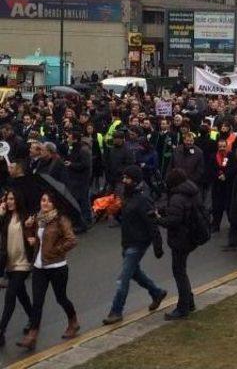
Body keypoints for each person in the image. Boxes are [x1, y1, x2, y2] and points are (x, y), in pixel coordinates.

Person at [102, 166, 167, 325]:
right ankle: (156, 292)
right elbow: (125, 218)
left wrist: (158, 245)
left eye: (127, 178)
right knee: (134, 273)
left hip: (138, 243)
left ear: (135, 180)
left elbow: (152, 223)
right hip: (127, 240)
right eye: (124, 178)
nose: (124, 181)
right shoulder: (127, 196)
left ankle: (116, 311)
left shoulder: (143, 199)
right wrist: (114, 212)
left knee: (123, 278)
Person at [18, 192, 79, 350]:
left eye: (49, 201)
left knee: (61, 298)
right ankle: (32, 334)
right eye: (43, 200)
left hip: (57, 267)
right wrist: (29, 229)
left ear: (54, 205)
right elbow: (37, 240)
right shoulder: (39, 219)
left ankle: (73, 321)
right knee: (37, 302)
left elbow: (72, 240)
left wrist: (56, 250)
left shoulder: (60, 220)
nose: (45, 203)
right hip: (39, 267)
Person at [156, 169, 199, 320]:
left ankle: (183, 307)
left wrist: (158, 218)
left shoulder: (177, 198)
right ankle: (189, 301)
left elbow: (173, 220)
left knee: (179, 272)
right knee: (182, 270)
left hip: (181, 239)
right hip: (190, 236)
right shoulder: (191, 191)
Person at [0, 190, 35, 347]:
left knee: (10, 296)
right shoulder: (5, 217)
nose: (9, 202)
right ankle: (34, 320)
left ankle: (1, 331)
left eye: (12, 199)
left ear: (18, 200)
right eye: (7, 199)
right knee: (22, 296)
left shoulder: (26, 217)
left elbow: (34, 235)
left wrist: (30, 226)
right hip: (10, 264)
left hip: (23, 264)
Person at [64, 131, 93, 228]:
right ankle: (80, 220)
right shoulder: (73, 149)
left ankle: (87, 220)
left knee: (84, 200)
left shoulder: (83, 150)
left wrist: (71, 165)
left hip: (82, 180)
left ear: (75, 139)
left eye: (69, 137)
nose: (67, 139)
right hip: (74, 179)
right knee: (77, 200)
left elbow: (85, 165)